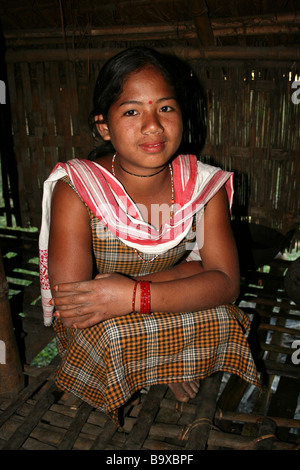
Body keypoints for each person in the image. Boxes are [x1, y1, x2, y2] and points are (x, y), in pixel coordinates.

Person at [39, 47, 259, 425]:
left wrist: (131, 294)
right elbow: (77, 305)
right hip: (101, 317)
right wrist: (185, 278)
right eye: (131, 111)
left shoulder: (203, 187)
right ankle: (157, 366)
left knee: (224, 316)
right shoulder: (77, 190)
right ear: (104, 126)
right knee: (109, 333)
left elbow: (226, 283)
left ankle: (162, 365)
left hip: (125, 299)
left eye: (166, 108)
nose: (153, 125)